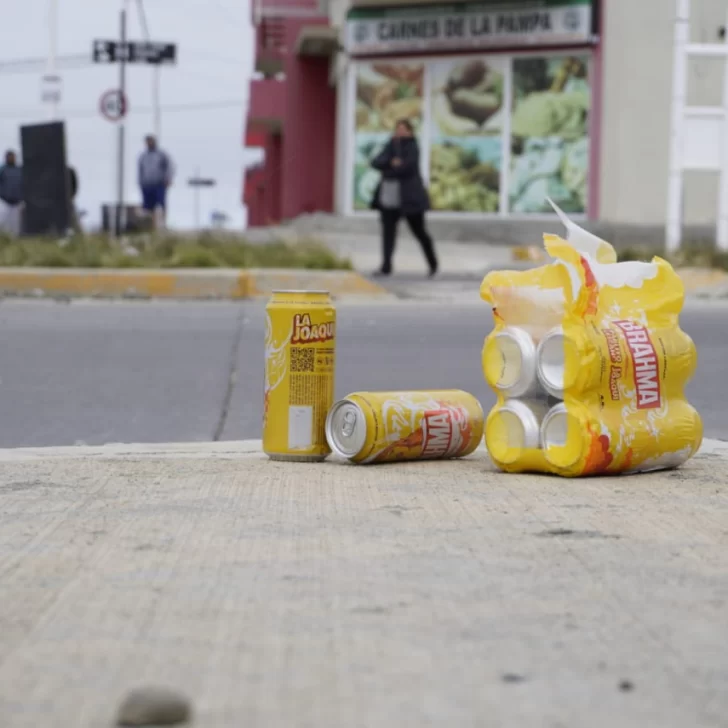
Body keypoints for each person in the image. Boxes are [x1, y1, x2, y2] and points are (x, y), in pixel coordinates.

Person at [369, 119, 438, 277]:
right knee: (388, 233)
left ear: (410, 131)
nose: (399, 132)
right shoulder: (391, 145)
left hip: (409, 198)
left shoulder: (412, 146)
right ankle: (386, 266)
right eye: (397, 128)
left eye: (403, 129)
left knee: (419, 231)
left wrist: (389, 168)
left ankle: (433, 263)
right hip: (389, 197)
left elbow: (407, 168)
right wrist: (391, 163)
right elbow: (375, 162)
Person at [138, 135, 174, 229]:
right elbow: (140, 170)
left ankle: (163, 224)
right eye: (147, 142)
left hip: (159, 183)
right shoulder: (143, 156)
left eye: (150, 141)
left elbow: (169, 167)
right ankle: (152, 226)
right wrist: (140, 182)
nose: (149, 143)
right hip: (146, 184)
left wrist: (168, 179)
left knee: (161, 204)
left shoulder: (162, 155)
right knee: (149, 207)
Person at [0, 149, 23, 237]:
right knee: (3, 222)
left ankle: (14, 239)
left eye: (12, 157)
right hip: (4, 202)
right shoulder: (2, 170)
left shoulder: (19, 170)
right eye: (9, 157)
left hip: (17, 202)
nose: (11, 158)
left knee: (16, 225)